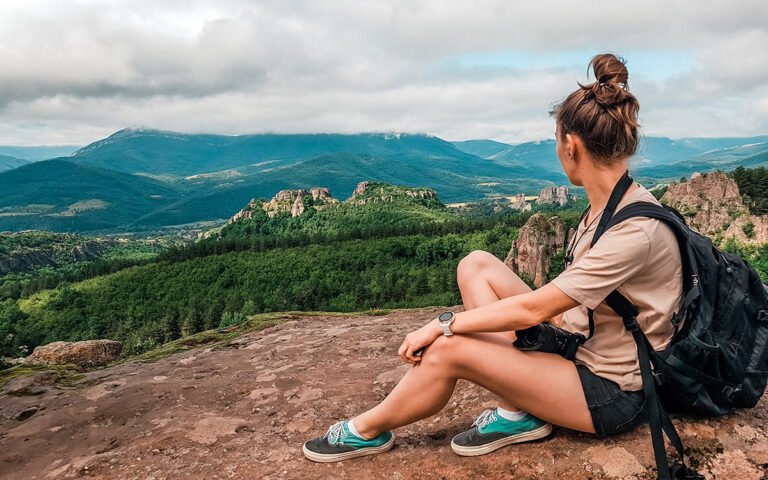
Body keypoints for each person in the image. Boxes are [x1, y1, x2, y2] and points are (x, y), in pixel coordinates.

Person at [302, 53, 683, 463]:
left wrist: (443, 324)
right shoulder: (611, 200)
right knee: (476, 264)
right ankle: (520, 414)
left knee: (449, 349)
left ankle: (368, 429)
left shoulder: (634, 230)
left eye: (556, 140)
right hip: (581, 344)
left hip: (611, 390)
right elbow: (559, 306)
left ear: (570, 145)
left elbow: (536, 307)